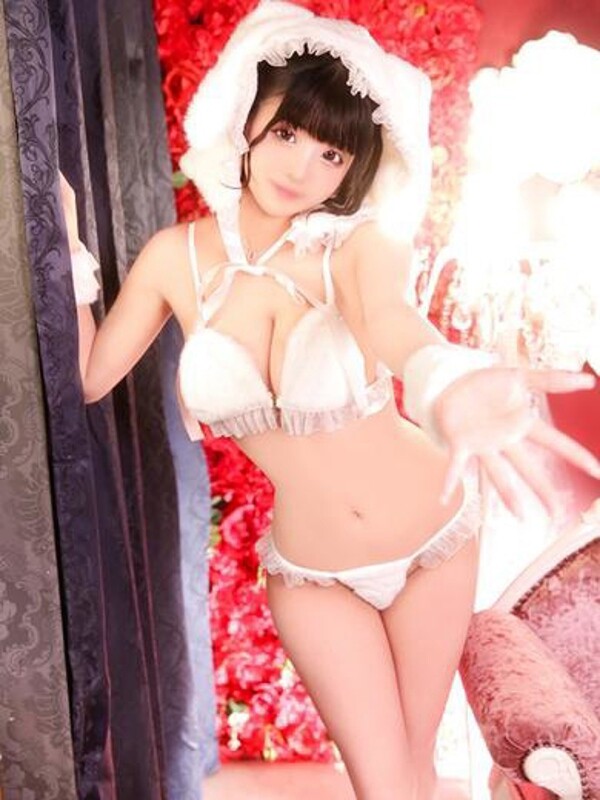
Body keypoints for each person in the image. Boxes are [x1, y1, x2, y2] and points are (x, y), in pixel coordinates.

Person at [60, 3, 600, 798]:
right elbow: (89, 378)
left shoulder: (356, 245)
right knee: (384, 784)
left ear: (352, 170)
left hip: (433, 537)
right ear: (250, 120)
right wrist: (68, 246)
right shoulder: (174, 259)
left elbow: (392, 321)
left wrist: (447, 381)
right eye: (287, 133)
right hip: (312, 573)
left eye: (331, 153)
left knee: (410, 776)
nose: (302, 168)